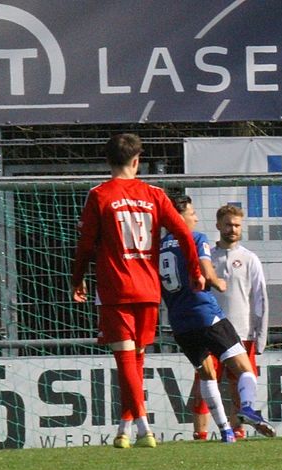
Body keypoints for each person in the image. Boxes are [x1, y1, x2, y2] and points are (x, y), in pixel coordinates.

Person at [71, 133, 204, 450]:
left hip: (116, 287)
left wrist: (77, 279)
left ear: (108, 161)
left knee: (125, 360)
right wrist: (196, 271)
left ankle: (144, 428)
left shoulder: (99, 195)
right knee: (137, 359)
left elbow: (85, 244)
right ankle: (124, 429)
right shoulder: (154, 194)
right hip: (148, 288)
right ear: (136, 160)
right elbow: (184, 233)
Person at [160, 194, 276, 442]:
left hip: (180, 323)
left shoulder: (157, 247)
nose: (195, 218)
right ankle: (247, 409)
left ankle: (226, 431)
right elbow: (205, 270)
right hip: (206, 315)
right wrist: (216, 281)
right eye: (192, 213)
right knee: (245, 370)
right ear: (179, 217)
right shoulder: (196, 238)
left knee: (206, 375)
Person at [191, 204, 269, 440]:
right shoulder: (206, 257)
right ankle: (200, 434)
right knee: (204, 384)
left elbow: (260, 299)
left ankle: (238, 431)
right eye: (228, 225)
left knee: (239, 386)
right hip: (210, 331)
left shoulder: (250, 259)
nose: (232, 229)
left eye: (236, 225)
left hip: (242, 333)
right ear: (218, 226)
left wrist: (260, 336)